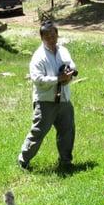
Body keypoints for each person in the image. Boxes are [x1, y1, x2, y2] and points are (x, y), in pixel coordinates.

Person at [17, 20, 77, 170]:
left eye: (53, 35)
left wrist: (69, 74)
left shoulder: (63, 50)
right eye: (47, 36)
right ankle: (23, 161)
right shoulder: (38, 57)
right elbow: (37, 80)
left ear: (57, 34)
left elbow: (72, 65)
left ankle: (66, 162)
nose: (51, 39)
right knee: (38, 133)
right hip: (45, 101)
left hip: (64, 98)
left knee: (67, 131)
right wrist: (58, 79)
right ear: (42, 38)